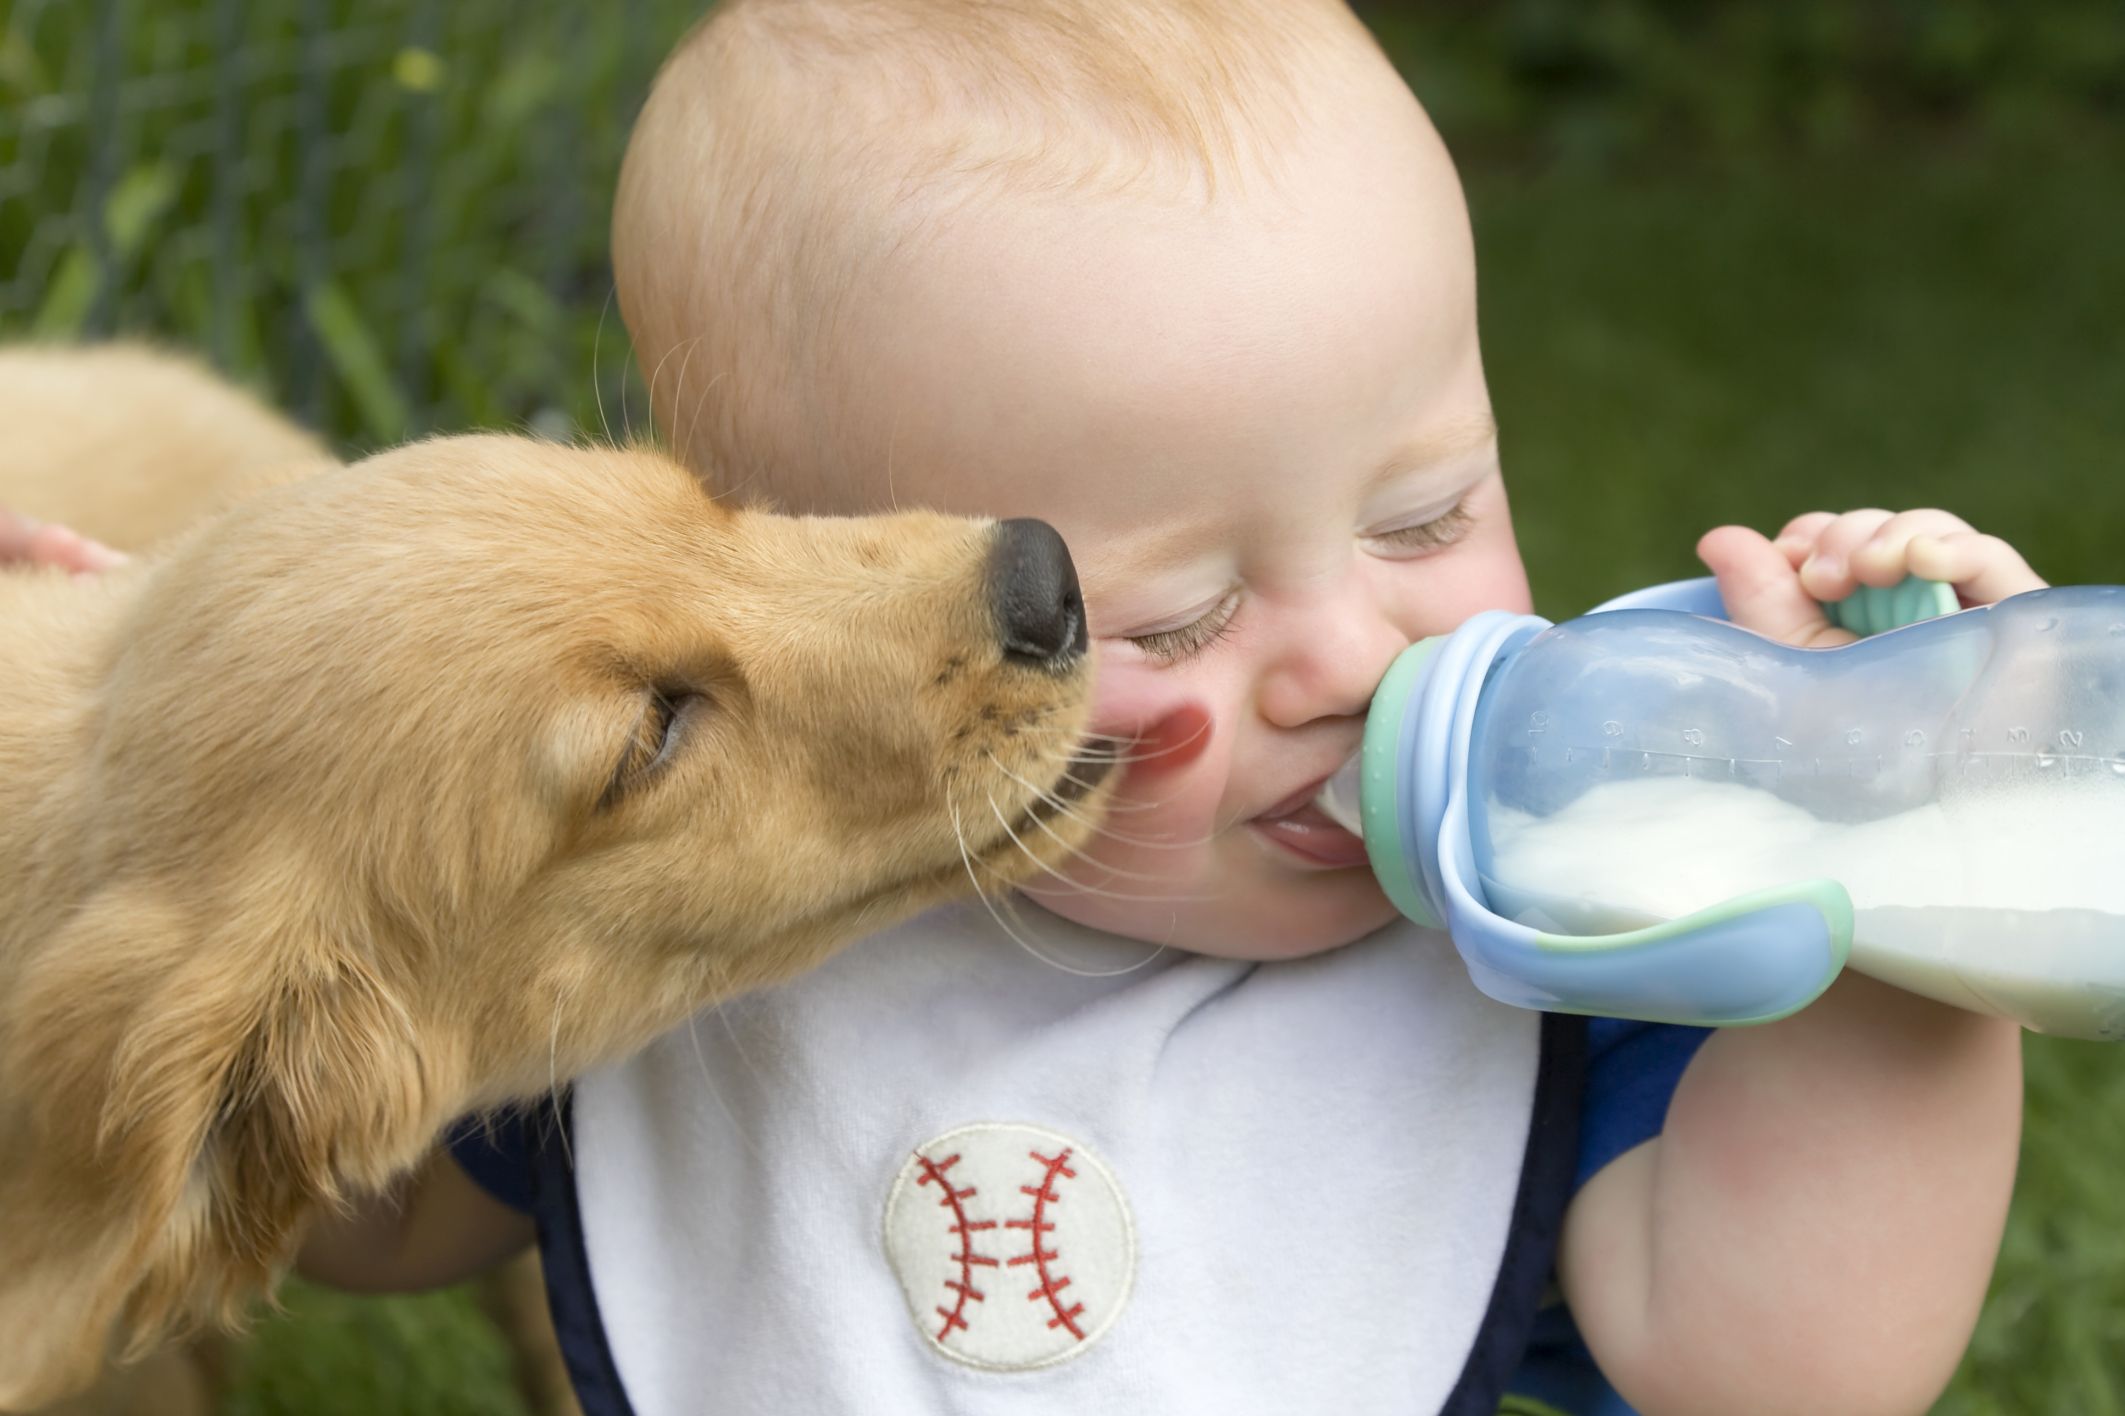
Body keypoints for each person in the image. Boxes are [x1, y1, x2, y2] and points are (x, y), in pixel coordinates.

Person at [302, 2, 2038, 1410]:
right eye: (1169, 616)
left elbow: (1786, 1365)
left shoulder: (1546, 921)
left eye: (1427, 514)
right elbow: (362, 1222)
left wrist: (1885, 866)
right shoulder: (719, 950)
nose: (1348, 657)